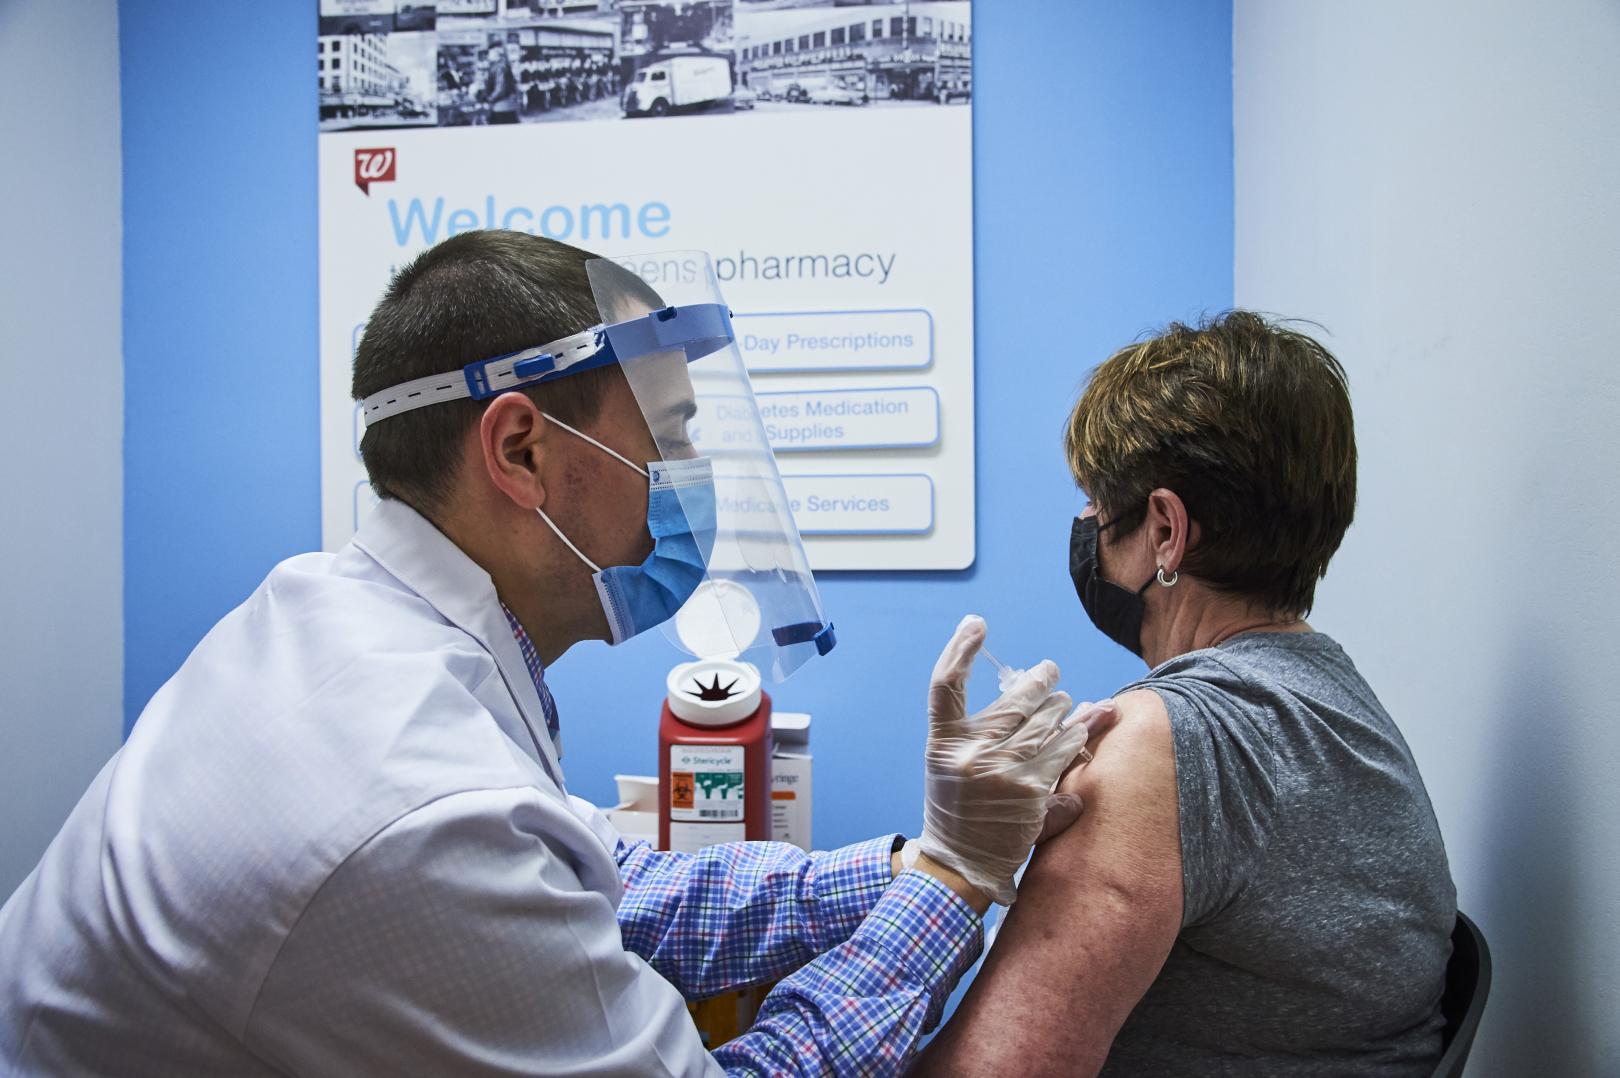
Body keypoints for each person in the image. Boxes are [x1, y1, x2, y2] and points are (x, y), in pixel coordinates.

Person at [0, 231, 1109, 1076]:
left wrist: (923, 852)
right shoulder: (404, 801)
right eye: (669, 436)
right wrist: (954, 886)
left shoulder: (350, 621)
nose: (693, 474)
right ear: (522, 448)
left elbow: (618, 888)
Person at [914, 312, 1457, 1076]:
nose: (1087, 530)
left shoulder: (1159, 742)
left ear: (1166, 531)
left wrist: (952, 871)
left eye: (1099, 509)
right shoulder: (1340, 698)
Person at [481, 41, 520, 123]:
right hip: (508, 106)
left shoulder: (499, 67)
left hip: (501, 107)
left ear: (496, 52)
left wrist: (489, 99)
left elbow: (500, 89)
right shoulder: (503, 65)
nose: (488, 56)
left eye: (489, 53)